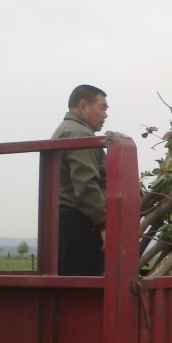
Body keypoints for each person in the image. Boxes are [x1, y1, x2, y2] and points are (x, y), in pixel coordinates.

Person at [52, 85, 109, 275]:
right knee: (85, 285)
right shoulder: (80, 135)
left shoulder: (65, 130)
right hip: (79, 226)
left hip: (64, 224)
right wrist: (104, 224)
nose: (106, 114)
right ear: (83, 107)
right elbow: (86, 186)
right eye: (102, 108)